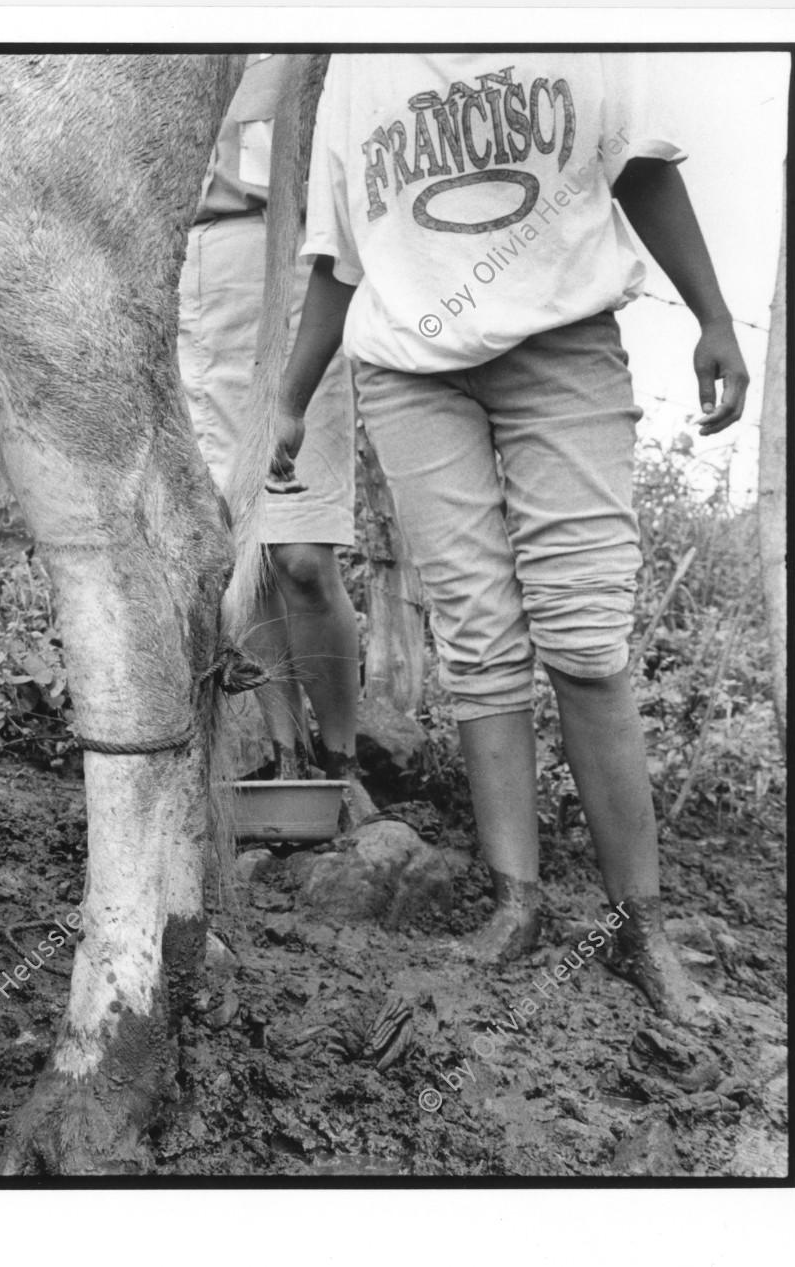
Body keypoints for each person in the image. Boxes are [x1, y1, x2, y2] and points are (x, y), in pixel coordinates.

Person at [276, 54, 747, 1024]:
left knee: (584, 640)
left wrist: (713, 317)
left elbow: (641, 164)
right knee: (479, 641)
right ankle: (515, 901)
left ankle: (639, 922)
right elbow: (340, 259)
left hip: (560, 349)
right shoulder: (357, 72)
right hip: (412, 377)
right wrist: (288, 399)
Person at [178, 52, 369, 806]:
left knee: (300, 555)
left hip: (285, 266)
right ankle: (287, 763)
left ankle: (343, 762)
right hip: (187, 276)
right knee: (241, 549)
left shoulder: (316, 46)